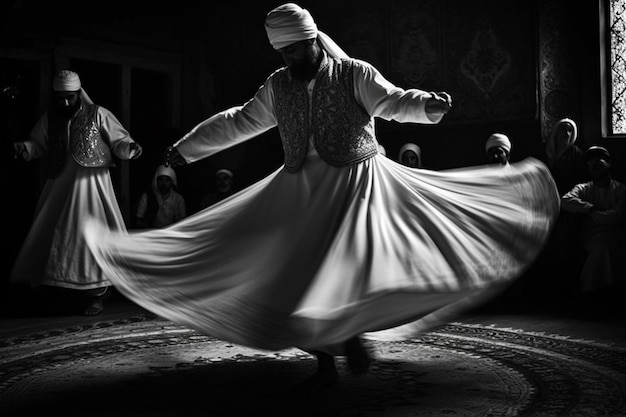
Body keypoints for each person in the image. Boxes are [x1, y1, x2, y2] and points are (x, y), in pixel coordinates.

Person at [83, 3, 559, 392]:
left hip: (358, 183)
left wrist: (428, 106)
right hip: (299, 188)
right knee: (287, 278)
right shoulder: (277, 85)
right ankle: (331, 355)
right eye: (284, 53)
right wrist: (186, 149)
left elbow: (393, 102)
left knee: (346, 268)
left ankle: (347, 332)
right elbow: (239, 121)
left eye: (297, 49)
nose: (291, 59)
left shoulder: (353, 73)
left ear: (314, 39)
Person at [11, 69, 143, 316]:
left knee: (91, 237)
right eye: (60, 97)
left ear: (78, 94)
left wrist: (130, 148)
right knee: (60, 239)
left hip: (92, 187)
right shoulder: (52, 118)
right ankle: (68, 292)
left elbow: (120, 141)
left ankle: (97, 295)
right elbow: (37, 144)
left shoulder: (98, 114)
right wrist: (25, 148)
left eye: (69, 97)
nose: (65, 102)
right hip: (60, 187)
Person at [560, 146, 626, 310]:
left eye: (599, 160)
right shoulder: (584, 188)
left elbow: (619, 215)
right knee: (601, 245)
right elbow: (565, 200)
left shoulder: (621, 189)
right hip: (593, 236)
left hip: (618, 233)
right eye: (591, 163)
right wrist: (589, 208)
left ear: (609, 163)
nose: (594, 164)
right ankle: (590, 292)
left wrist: (597, 216)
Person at [135, 164, 187, 228]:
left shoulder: (178, 199)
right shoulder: (147, 197)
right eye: (161, 180)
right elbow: (139, 220)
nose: (163, 184)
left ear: (171, 182)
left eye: (167, 180)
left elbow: (183, 221)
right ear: (156, 181)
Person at [545, 117, 586, 196]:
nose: (567, 134)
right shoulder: (546, 151)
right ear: (556, 132)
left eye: (570, 130)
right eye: (563, 130)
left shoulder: (576, 153)